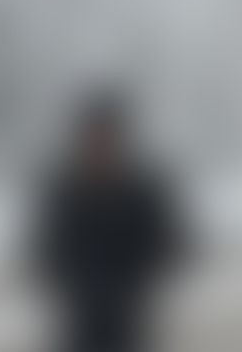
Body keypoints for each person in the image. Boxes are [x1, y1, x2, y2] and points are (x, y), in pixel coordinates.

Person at [31, 92, 183, 352]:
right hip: (79, 317)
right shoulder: (64, 190)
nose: (100, 146)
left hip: (130, 315)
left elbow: (167, 242)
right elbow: (45, 248)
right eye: (93, 137)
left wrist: (133, 280)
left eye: (107, 137)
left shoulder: (142, 189)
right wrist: (79, 283)